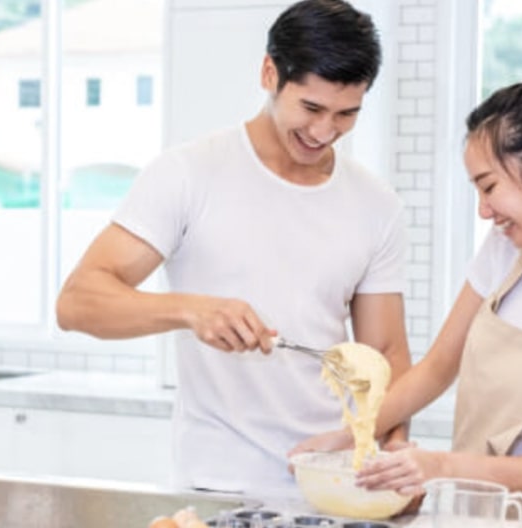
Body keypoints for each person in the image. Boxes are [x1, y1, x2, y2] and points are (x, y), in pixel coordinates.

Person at [56, 0, 411, 498]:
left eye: (346, 114)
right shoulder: (187, 174)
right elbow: (78, 303)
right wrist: (191, 310)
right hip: (216, 486)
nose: (324, 132)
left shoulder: (376, 204)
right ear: (270, 73)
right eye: (310, 108)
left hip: (332, 486)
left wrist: (394, 454)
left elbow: (386, 353)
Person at [291, 53, 522, 517]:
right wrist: (343, 441)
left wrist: (440, 466)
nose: (484, 211)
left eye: (489, 187)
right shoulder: (503, 253)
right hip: (468, 515)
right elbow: (435, 370)